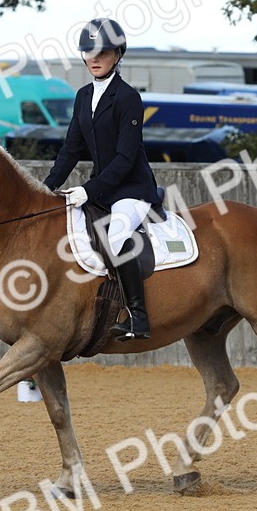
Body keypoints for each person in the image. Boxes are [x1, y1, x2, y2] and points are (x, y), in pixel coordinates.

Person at [43, 18, 161, 341]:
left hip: (132, 190)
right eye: (87, 52)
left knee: (118, 235)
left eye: (102, 52)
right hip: (102, 191)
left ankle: (138, 316)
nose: (93, 58)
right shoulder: (83, 97)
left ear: (118, 54)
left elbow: (125, 159)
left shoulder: (128, 98)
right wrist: (45, 188)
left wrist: (88, 189)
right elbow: (71, 149)